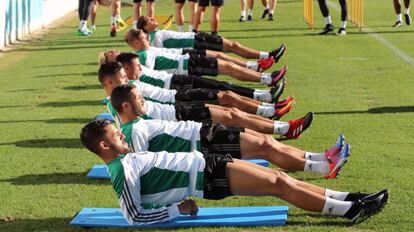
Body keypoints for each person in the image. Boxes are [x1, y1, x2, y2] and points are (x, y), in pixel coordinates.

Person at [80, 119, 388, 225]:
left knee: (283, 178)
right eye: (116, 136)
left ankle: (350, 198)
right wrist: (176, 208)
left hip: (206, 161)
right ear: (104, 147)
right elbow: (133, 215)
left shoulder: (126, 159)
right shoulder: (120, 170)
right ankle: (349, 211)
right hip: (206, 178)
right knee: (277, 184)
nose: (122, 136)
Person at [111, 84, 350, 178]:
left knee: (264, 140)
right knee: (265, 148)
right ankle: (322, 167)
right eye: (139, 99)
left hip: (199, 131)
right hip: (199, 144)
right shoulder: (132, 131)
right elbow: (141, 168)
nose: (143, 101)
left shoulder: (136, 122)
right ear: (125, 105)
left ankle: (320, 158)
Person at [99, 62, 295, 128]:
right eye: (122, 77)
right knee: (229, 112)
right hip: (176, 111)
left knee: (227, 100)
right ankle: (272, 114)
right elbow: (134, 125)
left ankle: (269, 108)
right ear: (109, 82)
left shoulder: (126, 88)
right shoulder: (116, 103)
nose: (127, 79)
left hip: (176, 98)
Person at [110, 83, 311, 138]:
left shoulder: (129, 90)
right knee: (233, 116)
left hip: (178, 107)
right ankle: (282, 126)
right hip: (179, 117)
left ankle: (274, 116)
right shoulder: (121, 104)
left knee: (232, 108)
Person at [100, 51, 287, 103]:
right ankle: (266, 98)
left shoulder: (131, 65)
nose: (113, 51)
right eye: (110, 53)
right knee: (224, 97)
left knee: (223, 88)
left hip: (179, 78)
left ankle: (265, 95)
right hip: (175, 89)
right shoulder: (127, 87)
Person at [125, 29, 285, 85]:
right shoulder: (142, 56)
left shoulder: (148, 50)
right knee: (228, 72)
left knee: (227, 68)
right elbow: (148, 75)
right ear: (137, 42)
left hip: (188, 60)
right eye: (144, 37)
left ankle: (265, 77)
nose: (147, 38)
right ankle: (267, 79)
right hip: (186, 66)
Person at [136, 16, 286, 61]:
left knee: (231, 47)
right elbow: (162, 54)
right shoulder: (153, 38)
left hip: (196, 38)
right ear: (146, 27)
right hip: (195, 43)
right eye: (149, 20)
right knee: (230, 48)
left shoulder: (156, 34)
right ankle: (267, 58)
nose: (153, 19)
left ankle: (265, 58)